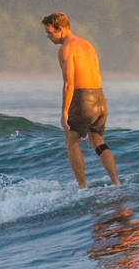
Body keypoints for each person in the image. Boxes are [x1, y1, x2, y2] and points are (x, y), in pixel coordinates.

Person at [42, 12, 121, 189]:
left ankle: (82, 187)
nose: (48, 37)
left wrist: (64, 112)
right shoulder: (87, 44)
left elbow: (69, 83)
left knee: (71, 141)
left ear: (60, 29)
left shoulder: (66, 49)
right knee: (98, 141)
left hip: (82, 99)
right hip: (99, 99)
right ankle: (116, 183)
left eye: (49, 33)